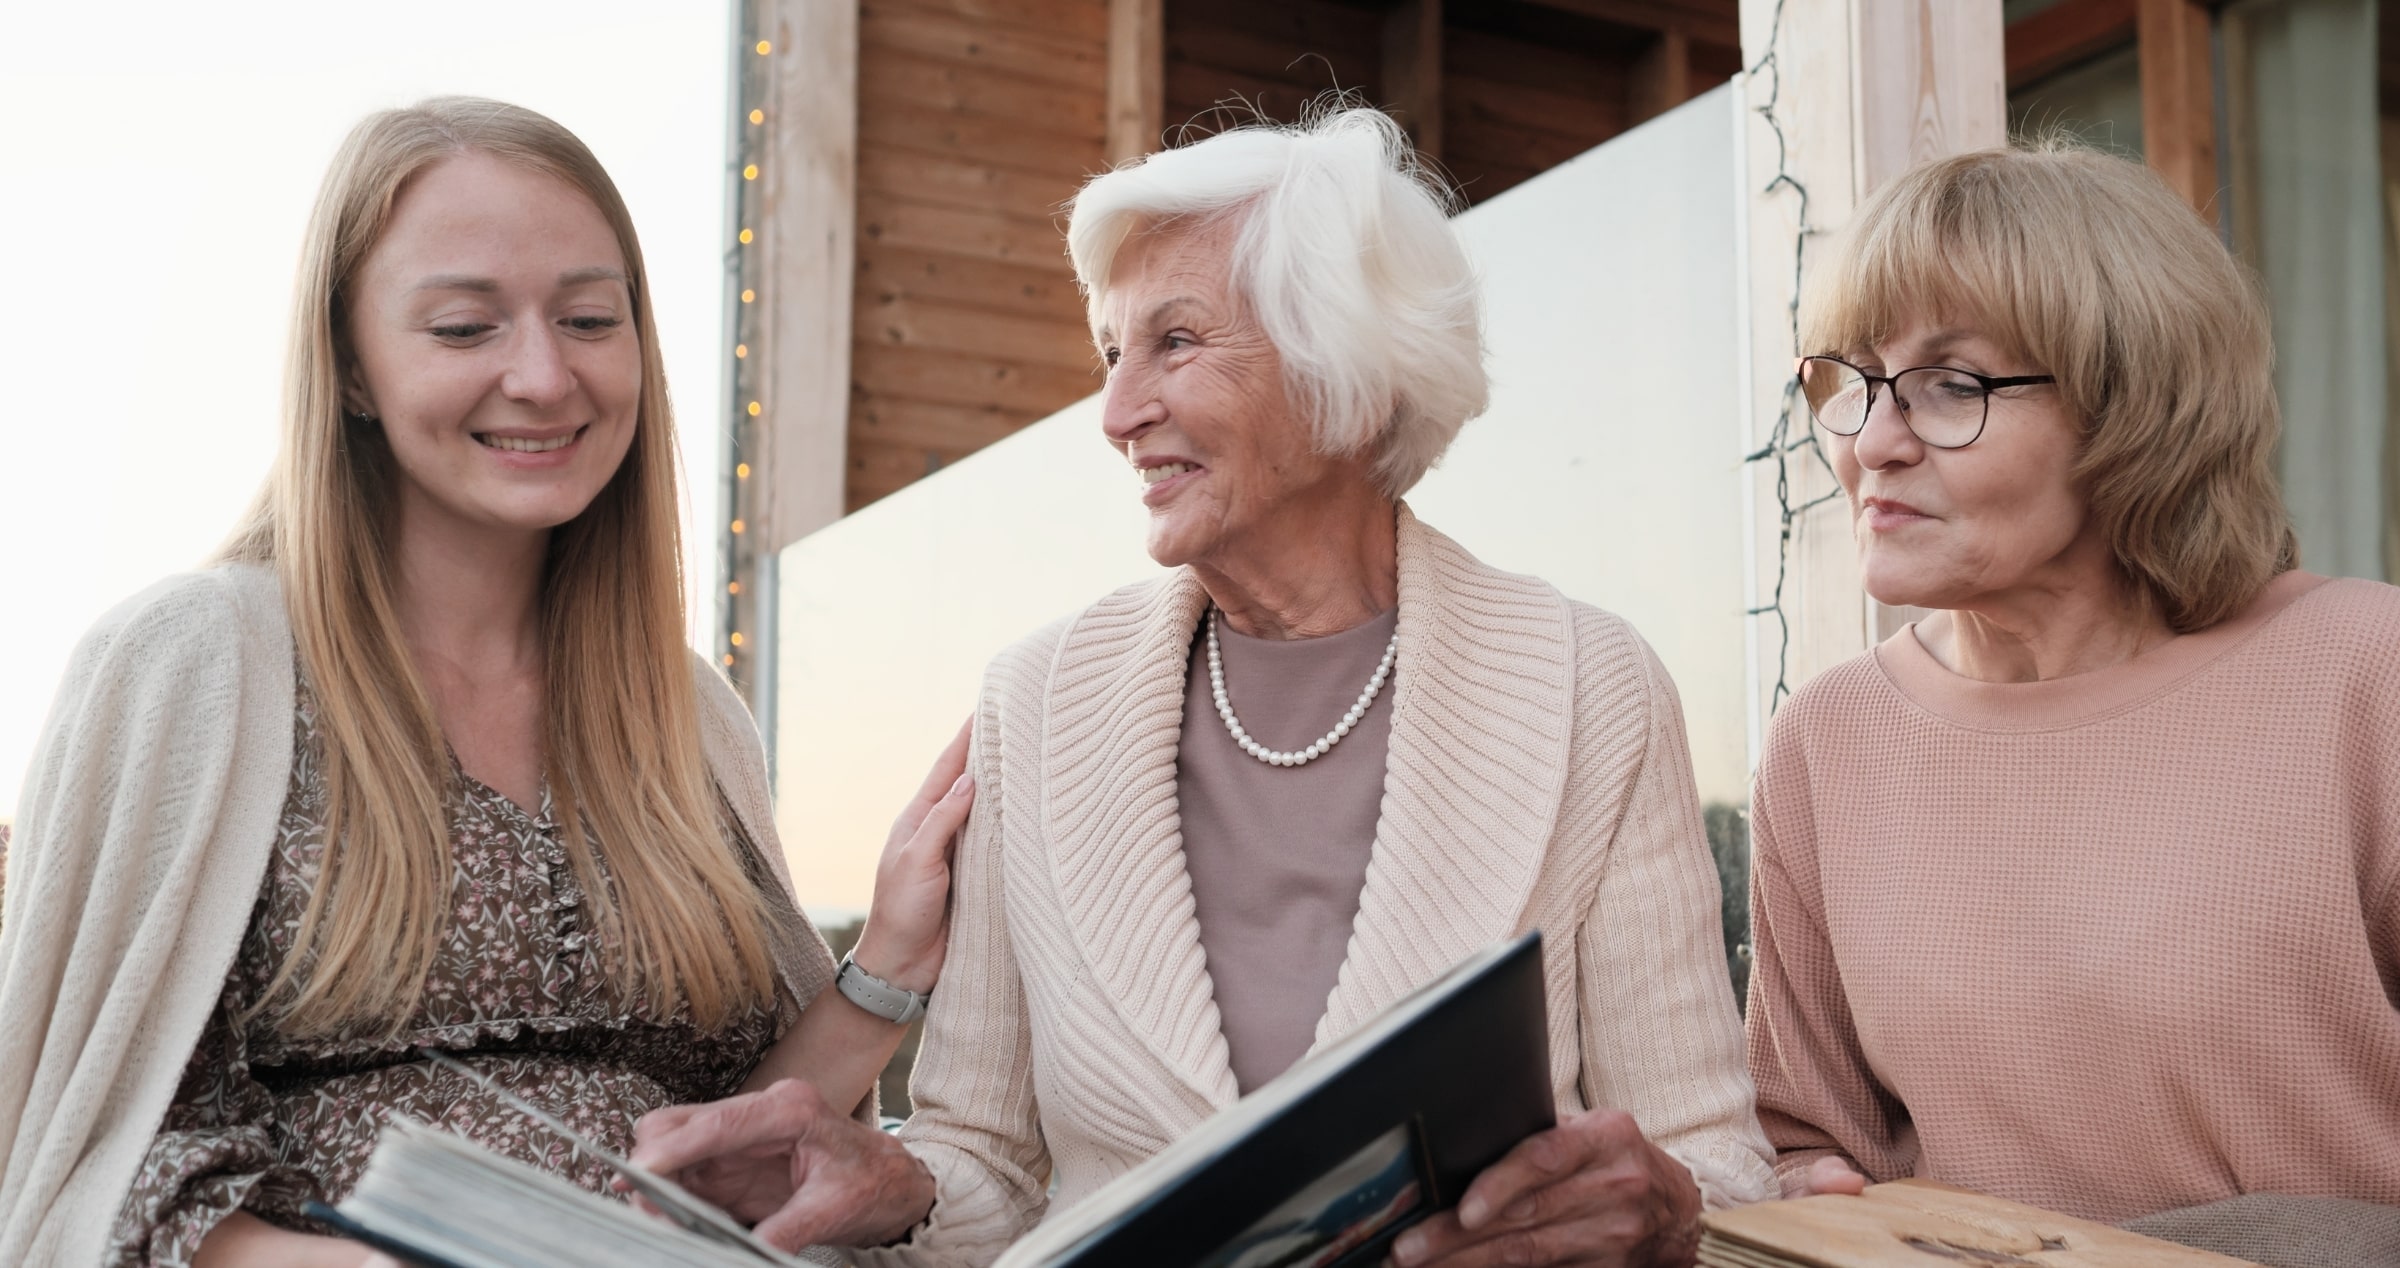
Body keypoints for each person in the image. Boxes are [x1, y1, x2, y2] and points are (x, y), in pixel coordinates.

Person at [628, 106, 1776, 1267]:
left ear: (1352, 372)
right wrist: (898, 1184)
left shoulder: (1593, 683)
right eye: (1112, 354)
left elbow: (1712, 1170)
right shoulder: (1035, 701)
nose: (1119, 413)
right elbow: (984, 1158)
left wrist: (1664, 1220)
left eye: (1176, 342)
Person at [0, 97, 972, 1268]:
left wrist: (885, 971)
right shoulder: (191, 665)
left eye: (589, 317)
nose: (544, 374)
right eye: (465, 327)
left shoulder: (688, 712)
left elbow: (720, 1159)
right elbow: (98, 1165)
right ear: (350, 369)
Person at [1745, 141, 2400, 1263]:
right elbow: (1803, 1136)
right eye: (1851, 380)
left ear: (2133, 410)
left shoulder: (2365, 669)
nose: (1872, 440)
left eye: (1952, 384)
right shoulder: (1828, 739)